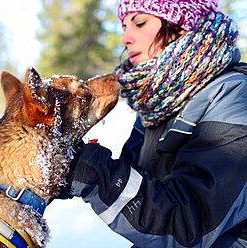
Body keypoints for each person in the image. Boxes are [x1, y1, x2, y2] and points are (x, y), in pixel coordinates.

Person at [59, 0, 247, 247]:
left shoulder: (234, 94)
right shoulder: (157, 104)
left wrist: (91, 170)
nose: (125, 38)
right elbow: (138, 185)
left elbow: (190, 223)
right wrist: (62, 167)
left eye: (139, 23)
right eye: (124, 26)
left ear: (182, 25)